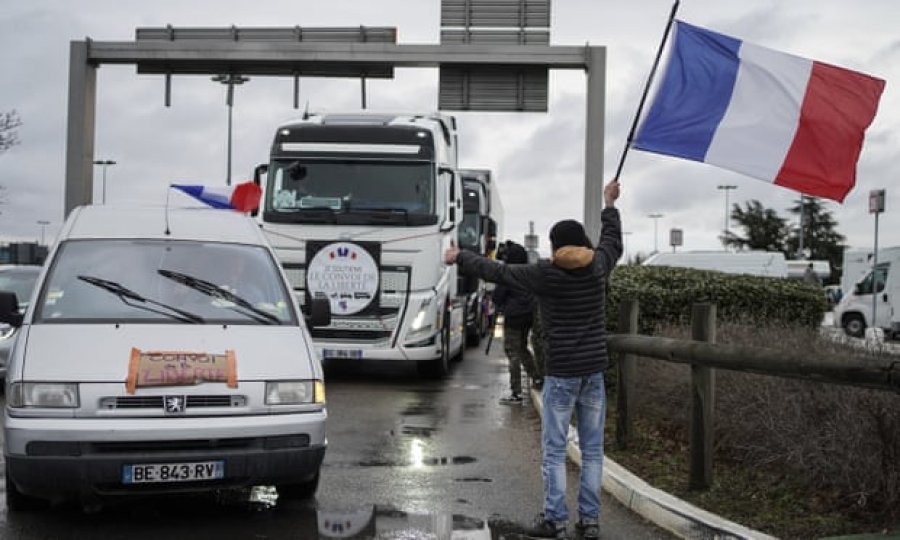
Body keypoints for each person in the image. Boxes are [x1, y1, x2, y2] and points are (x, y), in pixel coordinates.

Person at [444, 180, 622, 540]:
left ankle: (554, 520)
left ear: (555, 246)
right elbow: (612, 242)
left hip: (561, 375)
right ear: (583, 243)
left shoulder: (546, 274)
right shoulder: (598, 266)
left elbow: (499, 272)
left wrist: (459, 255)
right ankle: (589, 523)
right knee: (592, 451)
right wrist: (609, 204)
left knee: (555, 451)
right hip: (593, 374)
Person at [491, 241, 539, 404]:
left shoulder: (508, 273)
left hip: (513, 316)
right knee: (522, 347)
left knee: (512, 352)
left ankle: (516, 393)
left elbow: (497, 297)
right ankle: (537, 377)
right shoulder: (529, 273)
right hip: (528, 316)